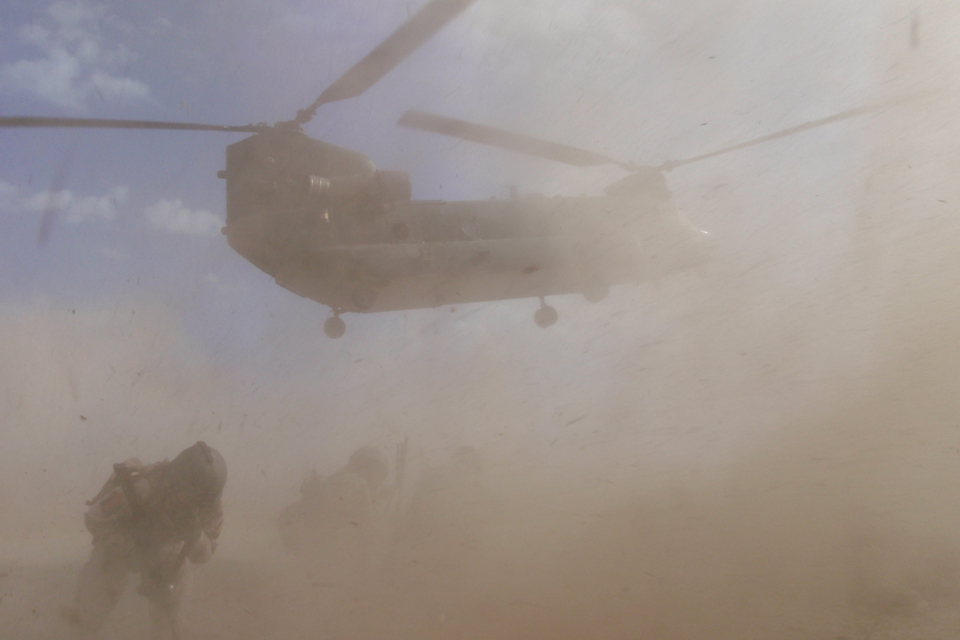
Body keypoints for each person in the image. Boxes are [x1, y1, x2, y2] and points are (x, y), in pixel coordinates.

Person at [63, 441, 227, 640]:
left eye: (200, 501)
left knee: (173, 604)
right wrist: (130, 546)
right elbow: (94, 520)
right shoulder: (140, 486)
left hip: (166, 552)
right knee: (95, 599)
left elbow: (203, 556)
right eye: (190, 496)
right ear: (176, 481)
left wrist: (195, 536)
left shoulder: (209, 505)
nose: (193, 505)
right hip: (119, 546)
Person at [278, 446, 390, 565]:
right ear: (368, 467)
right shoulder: (359, 488)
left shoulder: (336, 480)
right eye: (377, 470)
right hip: (341, 560)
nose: (377, 477)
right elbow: (368, 530)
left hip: (317, 555)